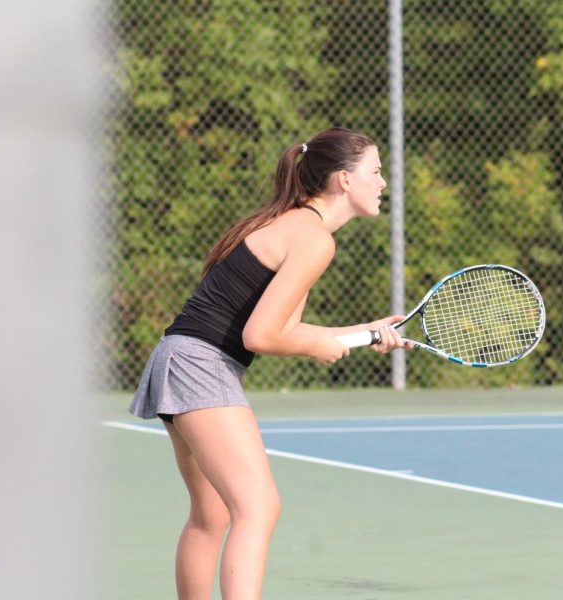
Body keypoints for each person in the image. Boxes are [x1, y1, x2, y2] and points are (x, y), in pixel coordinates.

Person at [129, 127, 411, 599]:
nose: (384, 182)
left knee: (212, 515)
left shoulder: (297, 226)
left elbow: (283, 328)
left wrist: (361, 333)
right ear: (344, 179)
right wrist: (321, 345)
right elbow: (260, 335)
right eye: (376, 172)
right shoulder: (314, 239)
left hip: (178, 357)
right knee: (257, 508)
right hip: (201, 364)